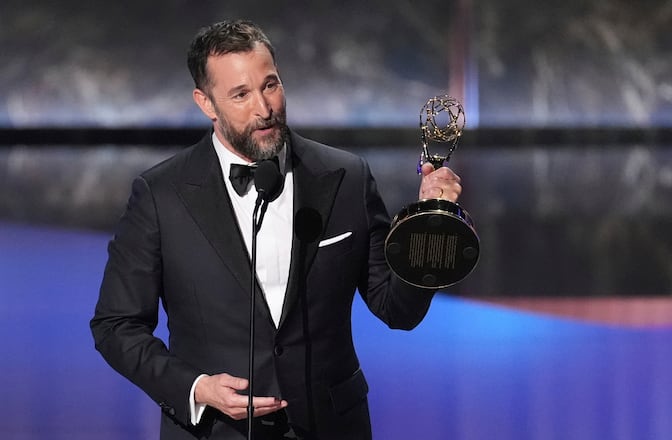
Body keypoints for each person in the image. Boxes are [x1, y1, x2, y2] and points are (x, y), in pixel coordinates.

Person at [90, 19, 462, 440]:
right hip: (217, 432)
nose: (264, 108)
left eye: (270, 85)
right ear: (206, 103)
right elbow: (115, 325)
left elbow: (397, 310)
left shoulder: (347, 178)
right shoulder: (161, 194)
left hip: (330, 427)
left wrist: (430, 223)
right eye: (241, 94)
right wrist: (196, 388)